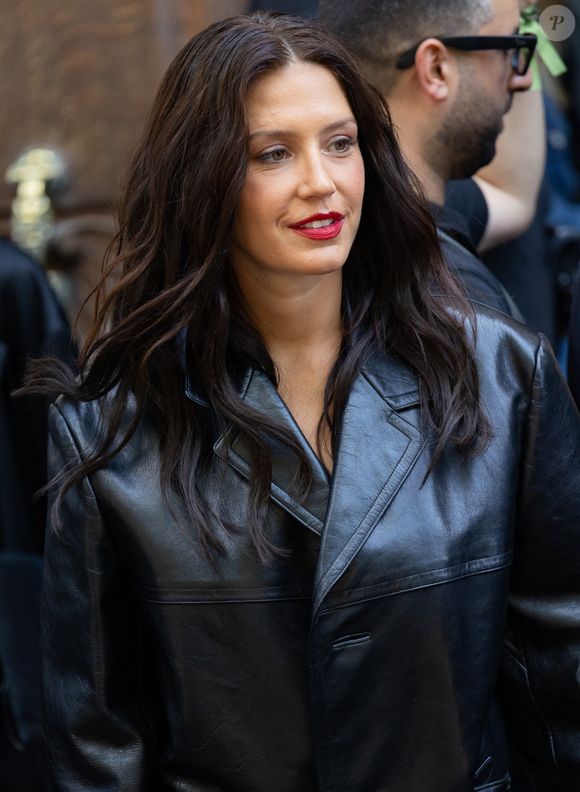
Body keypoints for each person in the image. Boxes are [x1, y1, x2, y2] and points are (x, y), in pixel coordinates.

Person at [31, 12, 580, 792]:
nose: (321, 182)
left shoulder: (500, 375)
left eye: (341, 142)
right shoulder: (113, 431)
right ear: (204, 175)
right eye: (273, 153)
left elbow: (562, 679)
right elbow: (99, 745)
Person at [318, 0, 545, 319]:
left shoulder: (340, 220)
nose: (522, 80)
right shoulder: (459, 319)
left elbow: (512, 193)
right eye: (510, 48)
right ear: (436, 68)